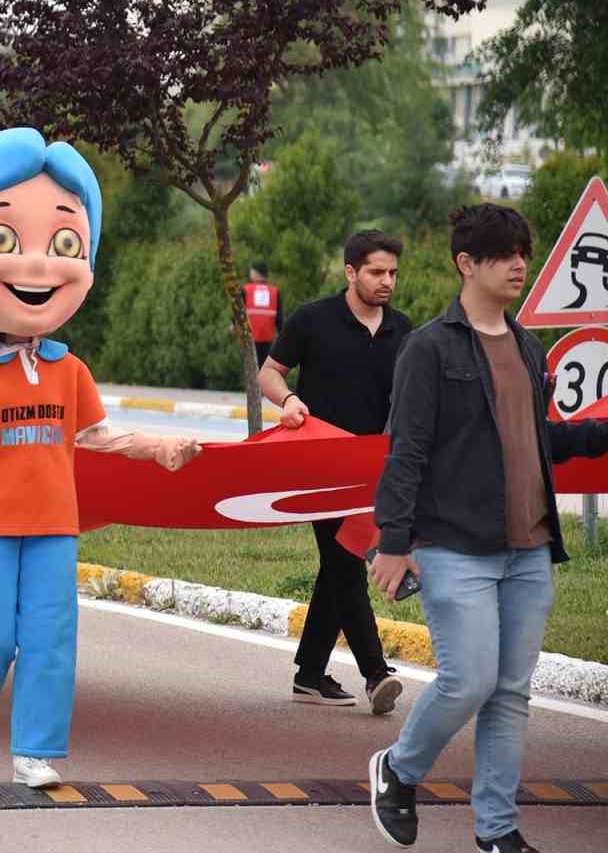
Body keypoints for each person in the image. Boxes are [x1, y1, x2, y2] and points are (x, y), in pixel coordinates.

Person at [0, 127, 198, 788]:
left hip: (52, 526)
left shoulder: (67, 366)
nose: (41, 265)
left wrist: (158, 448)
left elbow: (96, 436)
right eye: (4, 241)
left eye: (65, 244)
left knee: (50, 643)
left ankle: (37, 751)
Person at [366, 205, 608, 853]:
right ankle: (400, 768)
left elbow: (537, 441)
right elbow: (407, 448)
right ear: (466, 263)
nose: (519, 265)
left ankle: (497, 830)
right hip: (454, 545)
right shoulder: (431, 348)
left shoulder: (527, 348)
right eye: (504, 254)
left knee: (509, 692)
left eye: (524, 252)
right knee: (469, 679)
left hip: (529, 548)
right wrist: (393, 541)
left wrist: (598, 432)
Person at [258, 231, 409, 713]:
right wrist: (289, 400)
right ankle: (375, 673)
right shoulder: (312, 319)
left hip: (376, 470)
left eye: (392, 274)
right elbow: (269, 372)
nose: (386, 282)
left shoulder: (403, 331)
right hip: (319, 467)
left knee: (336, 567)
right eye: (376, 272)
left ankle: (308, 673)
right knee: (345, 561)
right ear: (350, 272)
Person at [243, 262, 284, 367]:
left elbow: (238, 310)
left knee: (251, 369)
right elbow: (279, 319)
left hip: (249, 337)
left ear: (256, 273)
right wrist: (283, 338)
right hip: (267, 338)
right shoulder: (274, 292)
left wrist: (233, 325)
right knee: (264, 368)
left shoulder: (246, 290)